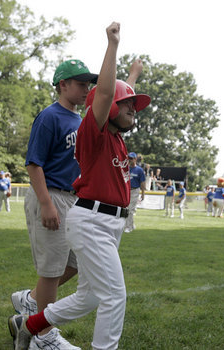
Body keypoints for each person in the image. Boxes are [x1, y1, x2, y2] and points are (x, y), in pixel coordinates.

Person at [9, 22, 151, 350]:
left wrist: (131, 78)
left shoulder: (114, 136)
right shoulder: (94, 130)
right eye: (128, 104)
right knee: (114, 295)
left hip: (106, 220)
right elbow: (106, 95)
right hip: (90, 218)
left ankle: (29, 324)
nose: (133, 109)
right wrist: (112, 45)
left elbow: (116, 97)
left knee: (91, 295)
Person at [124, 152, 145, 232]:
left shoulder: (139, 170)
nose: (130, 160)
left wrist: (143, 194)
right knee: (126, 209)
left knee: (130, 209)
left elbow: (142, 182)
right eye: (129, 158)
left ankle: (128, 227)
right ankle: (131, 225)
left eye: (131, 158)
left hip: (135, 190)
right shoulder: (126, 168)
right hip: (126, 191)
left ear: (135, 159)